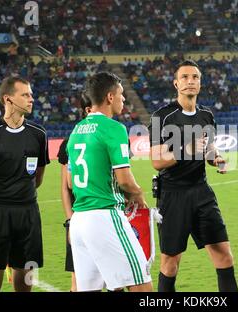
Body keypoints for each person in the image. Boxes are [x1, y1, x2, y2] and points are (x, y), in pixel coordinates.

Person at [149, 60, 238, 292]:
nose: (190, 81)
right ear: (176, 83)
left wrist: (215, 158)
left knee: (224, 256)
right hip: (172, 194)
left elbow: (207, 150)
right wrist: (185, 149)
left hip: (202, 192)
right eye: (185, 77)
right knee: (170, 263)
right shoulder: (163, 116)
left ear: (200, 83)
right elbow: (157, 161)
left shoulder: (207, 116)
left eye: (195, 77)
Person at [67, 72, 152, 292]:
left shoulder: (76, 130)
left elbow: (70, 180)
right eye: (121, 95)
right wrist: (138, 194)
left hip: (79, 221)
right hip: (104, 217)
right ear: (110, 97)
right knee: (142, 285)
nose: (124, 99)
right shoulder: (114, 128)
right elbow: (124, 179)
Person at [0, 76, 50, 292]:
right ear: (8, 99)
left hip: (28, 214)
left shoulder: (39, 134)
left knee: (26, 282)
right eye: (25, 94)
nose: (32, 99)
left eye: (31, 94)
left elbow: (38, 178)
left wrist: (21, 197)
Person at [57, 92, 92, 292]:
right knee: (78, 281)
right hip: (81, 216)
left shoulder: (110, 133)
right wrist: (70, 221)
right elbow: (65, 186)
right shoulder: (71, 141)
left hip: (107, 214)